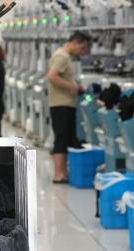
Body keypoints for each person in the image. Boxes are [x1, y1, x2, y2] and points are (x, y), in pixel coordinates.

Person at [47, 31, 91, 183]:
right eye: (82, 48)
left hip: (64, 103)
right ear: (75, 43)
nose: (82, 52)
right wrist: (72, 87)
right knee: (61, 138)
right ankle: (59, 174)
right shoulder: (62, 56)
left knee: (65, 138)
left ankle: (63, 172)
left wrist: (75, 85)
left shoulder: (64, 56)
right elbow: (52, 76)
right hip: (61, 104)